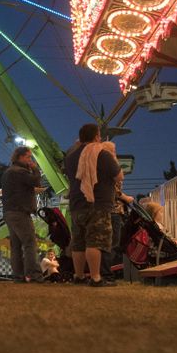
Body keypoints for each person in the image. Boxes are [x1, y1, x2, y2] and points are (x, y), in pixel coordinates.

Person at [63, 123, 121, 287]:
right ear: (96, 136)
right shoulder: (102, 153)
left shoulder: (71, 157)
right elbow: (119, 177)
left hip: (76, 204)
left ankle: (79, 276)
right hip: (98, 203)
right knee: (95, 241)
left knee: (79, 242)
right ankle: (95, 277)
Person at [2, 146, 45, 283]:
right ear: (21, 157)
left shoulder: (8, 171)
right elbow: (35, 181)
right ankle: (34, 275)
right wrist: (35, 168)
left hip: (9, 212)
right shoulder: (20, 171)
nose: (30, 160)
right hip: (20, 212)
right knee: (29, 243)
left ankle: (18, 275)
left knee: (15, 245)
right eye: (28, 157)